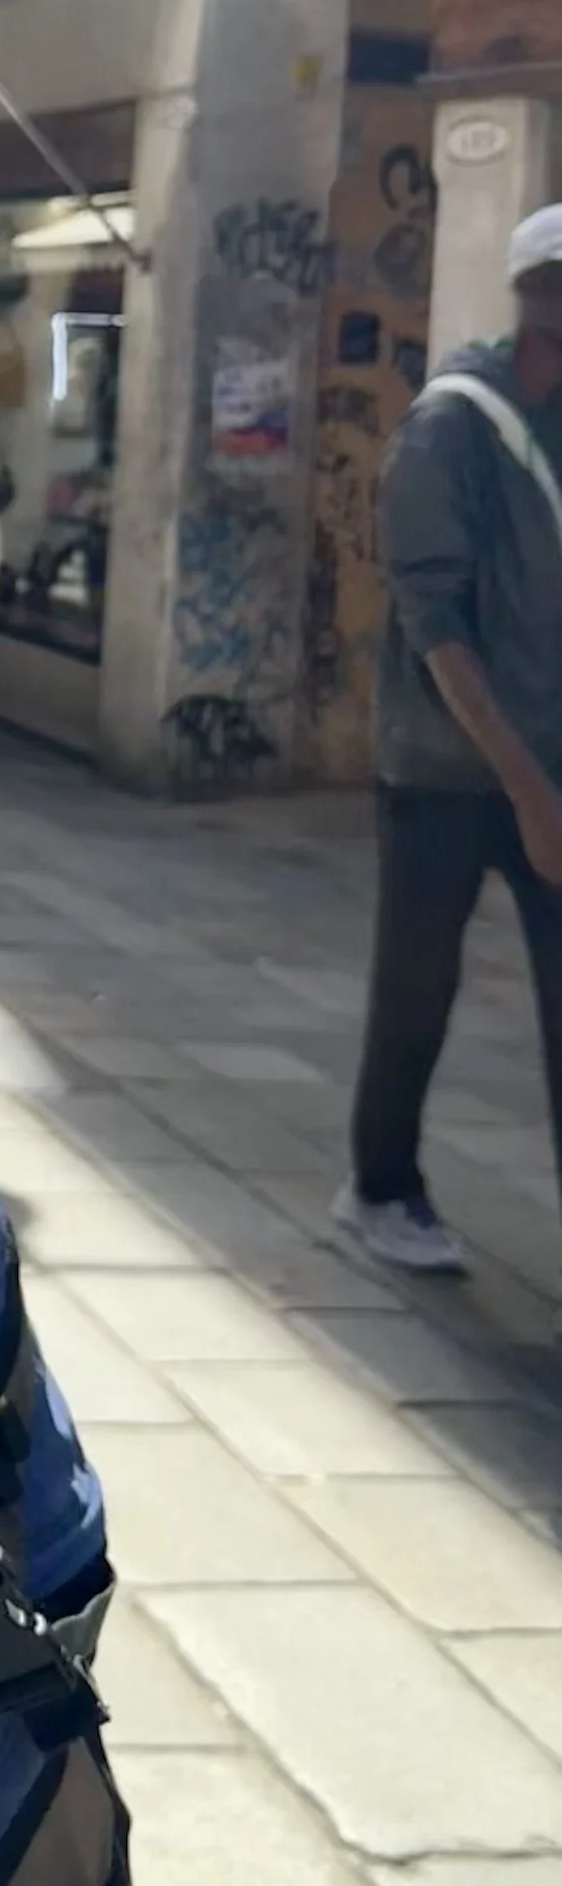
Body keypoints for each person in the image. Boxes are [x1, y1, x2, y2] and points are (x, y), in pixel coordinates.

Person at [342, 204, 562, 1277]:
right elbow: (436, 623)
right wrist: (528, 791)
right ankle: (380, 1186)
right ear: (539, 304)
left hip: (549, 768)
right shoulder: (449, 426)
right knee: (416, 985)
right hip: (442, 770)